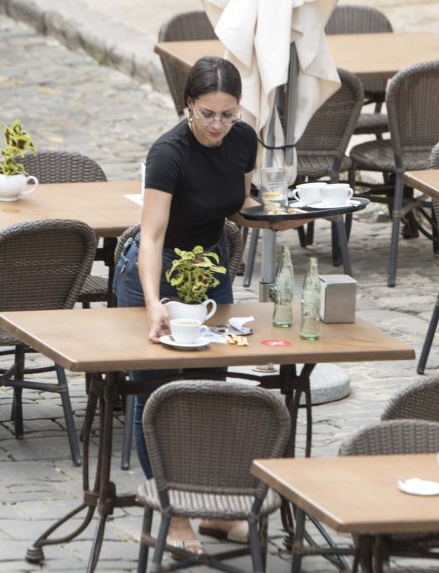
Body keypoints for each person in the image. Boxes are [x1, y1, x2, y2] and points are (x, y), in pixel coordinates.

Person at [113, 55, 309, 554]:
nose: (219, 125)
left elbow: (240, 207)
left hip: (211, 264)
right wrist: (155, 303)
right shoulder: (168, 154)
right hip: (157, 270)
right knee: (157, 395)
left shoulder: (244, 140)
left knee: (210, 386)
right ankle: (172, 513)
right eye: (208, 114)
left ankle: (212, 511)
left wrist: (276, 220)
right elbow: (152, 236)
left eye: (229, 114)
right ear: (187, 107)